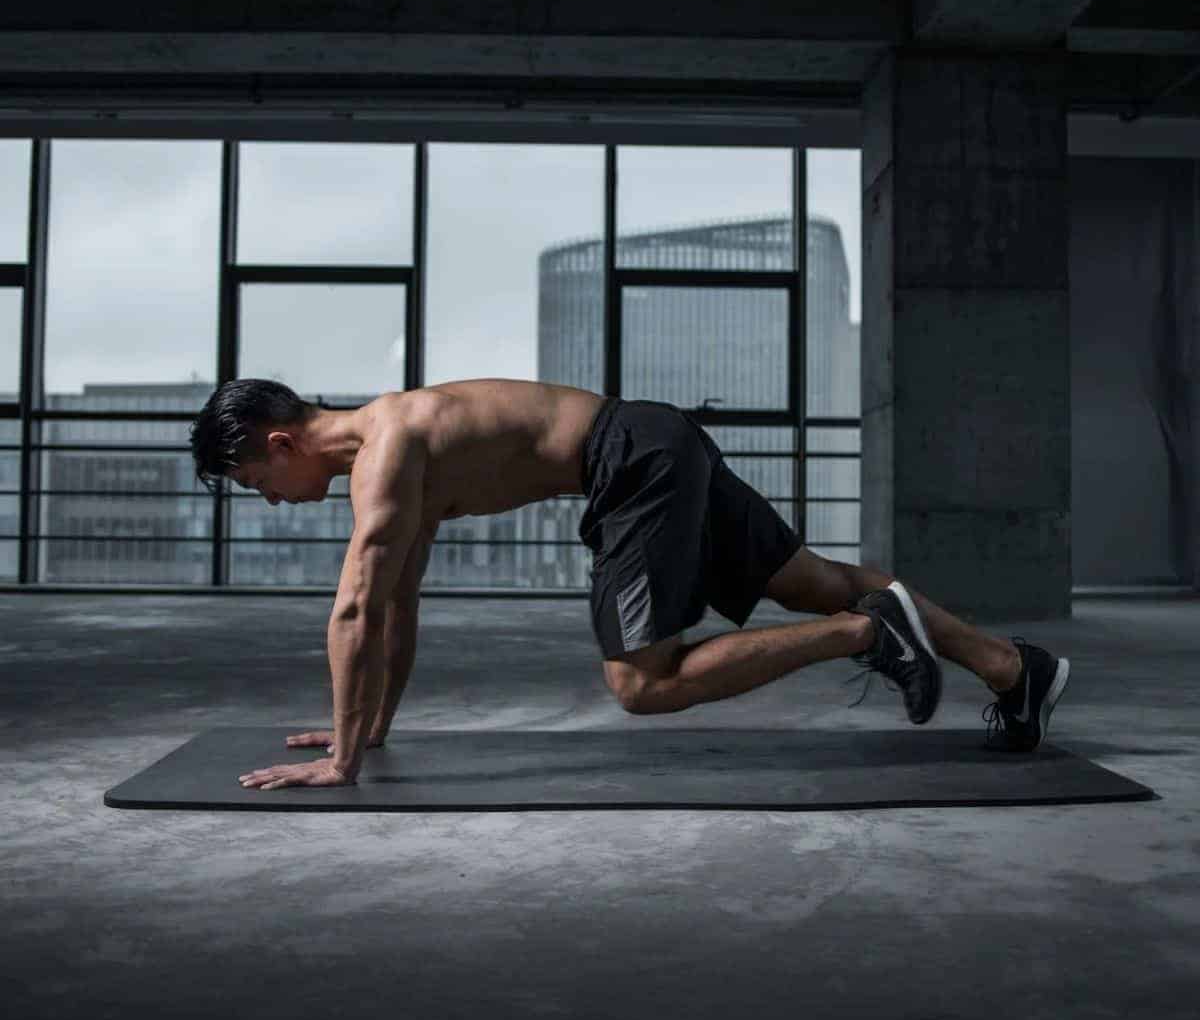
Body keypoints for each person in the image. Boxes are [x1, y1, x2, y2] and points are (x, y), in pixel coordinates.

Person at [189, 377, 1071, 792]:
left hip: (630, 461)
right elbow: (395, 604)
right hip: (652, 437)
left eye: (256, 485)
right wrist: (369, 730)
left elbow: (353, 609)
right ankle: (1011, 668)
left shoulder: (384, 455)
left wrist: (342, 765)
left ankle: (868, 635)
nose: (269, 501)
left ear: (279, 444)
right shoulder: (393, 445)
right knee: (817, 579)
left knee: (644, 682)